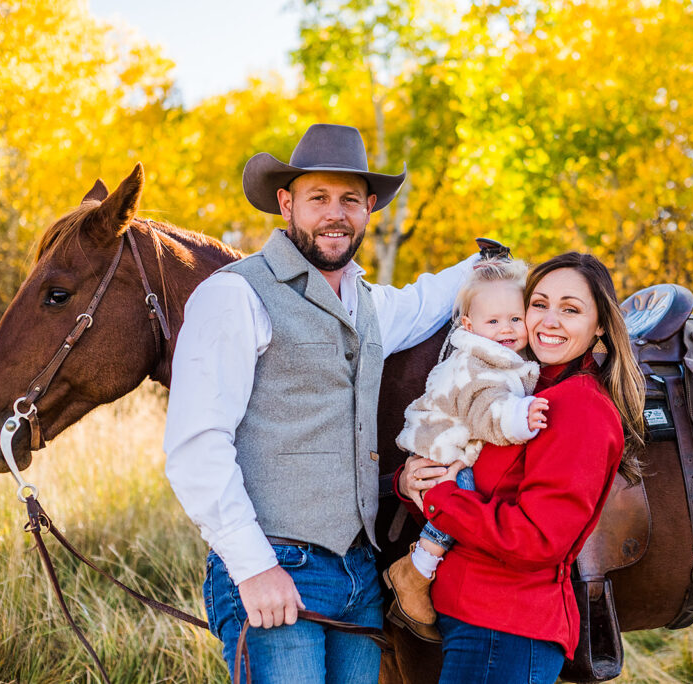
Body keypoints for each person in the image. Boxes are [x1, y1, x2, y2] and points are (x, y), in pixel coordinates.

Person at [163, 123, 479, 683]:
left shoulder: (369, 304)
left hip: (360, 574)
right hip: (277, 565)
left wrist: (494, 264)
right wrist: (253, 568)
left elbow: (428, 298)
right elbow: (196, 446)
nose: (336, 214)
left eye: (350, 200)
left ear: (369, 208)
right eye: (319, 198)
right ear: (286, 204)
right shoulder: (236, 294)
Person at [398, 252, 645, 683]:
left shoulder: (579, 406)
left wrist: (440, 498)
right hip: (471, 617)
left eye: (570, 309)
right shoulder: (518, 385)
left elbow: (538, 539)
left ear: (600, 325)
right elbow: (474, 474)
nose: (549, 321)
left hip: (507, 627)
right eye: (539, 304)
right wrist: (412, 480)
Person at [383, 256, 550, 642]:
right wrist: (521, 417)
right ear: (469, 327)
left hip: (454, 442)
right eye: (494, 321)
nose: (506, 329)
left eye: (515, 318)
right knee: (463, 494)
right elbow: (485, 411)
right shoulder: (476, 364)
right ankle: (415, 570)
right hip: (441, 449)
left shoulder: (499, 356)